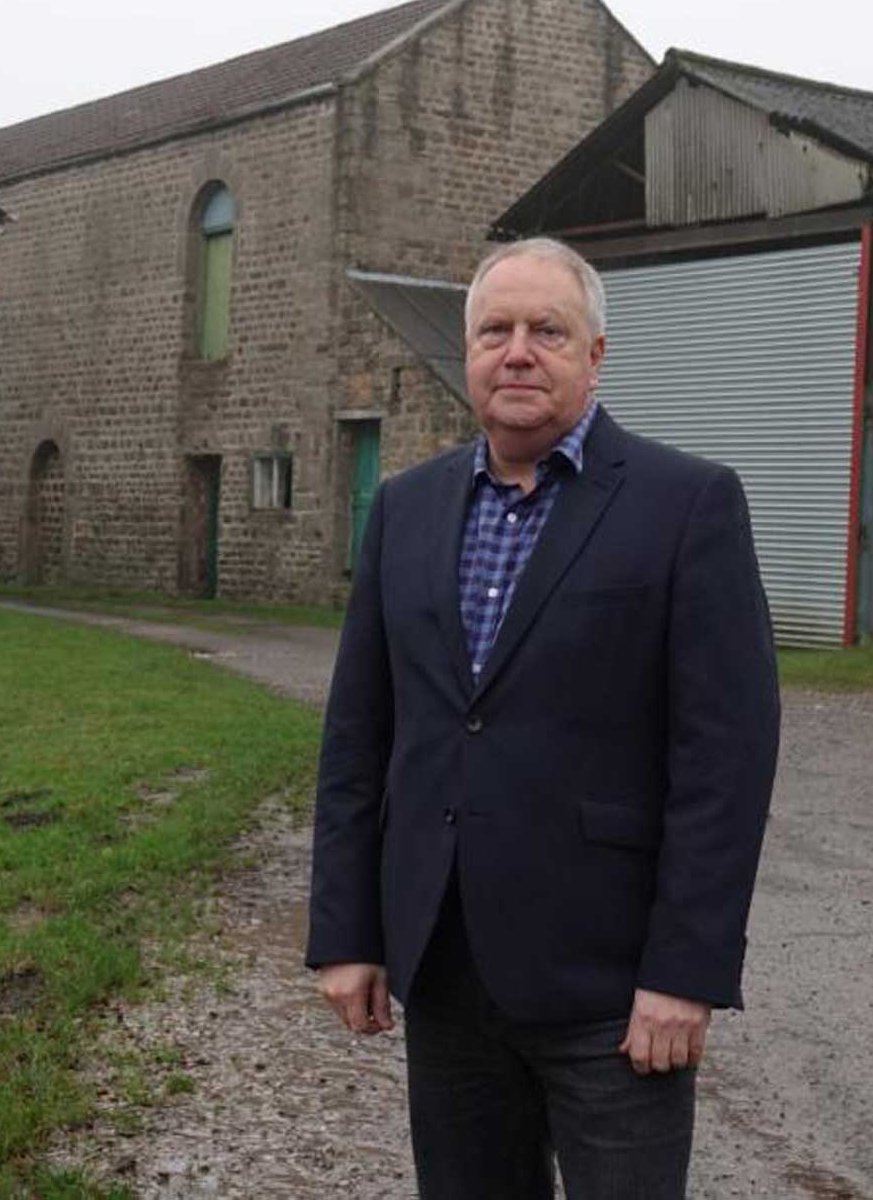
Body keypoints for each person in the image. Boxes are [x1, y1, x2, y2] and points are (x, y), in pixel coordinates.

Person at [305, 236, 781, 1199]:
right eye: (495, 331)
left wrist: (685, 973)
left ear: (594, 355)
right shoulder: (406, 509)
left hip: (609, 991)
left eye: (547, 331)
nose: (517, 351)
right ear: (469, 354)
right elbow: (360, 738)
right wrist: (349, 931)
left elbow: (724, 761)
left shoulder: (686, 505)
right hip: (444, 972)